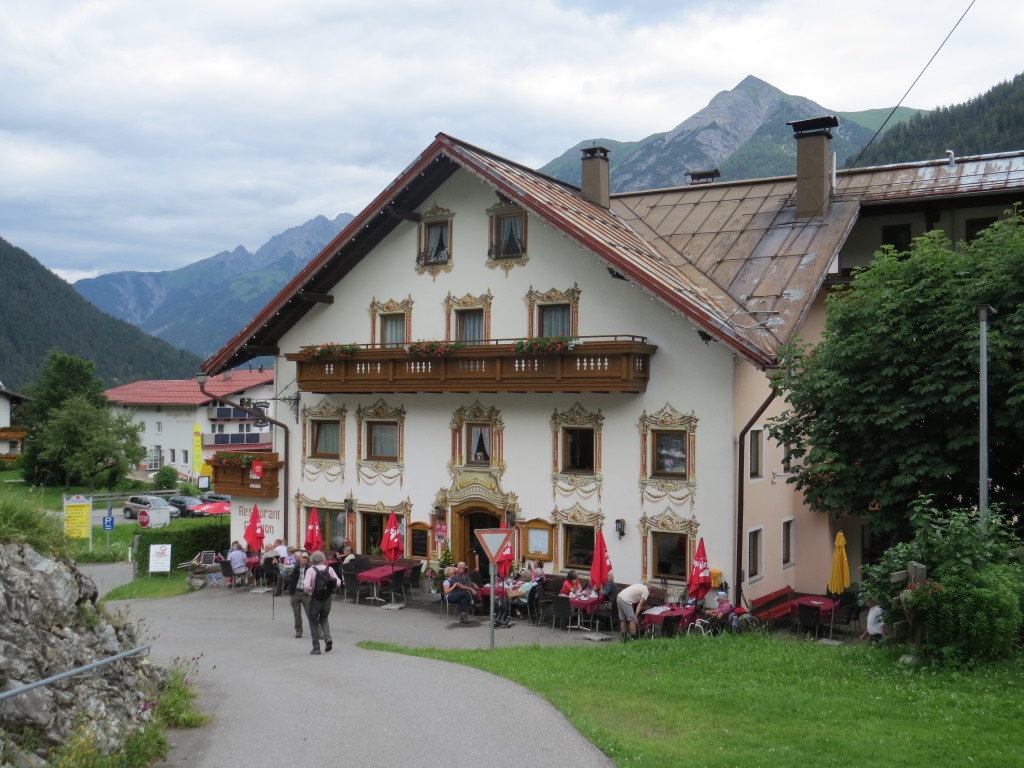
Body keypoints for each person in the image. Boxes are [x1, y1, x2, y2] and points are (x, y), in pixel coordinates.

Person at [303, 551, 341, 655]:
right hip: (327, 598)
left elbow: (306, 586)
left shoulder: (310, 571)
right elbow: (338, 582)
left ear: (312, 559)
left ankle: (316, 648)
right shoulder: (329, 569)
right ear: (323, 559)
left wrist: (310, 591)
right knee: (324, 619)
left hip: (315, 599)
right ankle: (328, 638)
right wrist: (330, 589)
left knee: (313, 622)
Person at [285, 553, 311, 638]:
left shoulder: (310, 568)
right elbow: (285, 567)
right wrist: (276, 564)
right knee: (297, 614)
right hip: (295, 592)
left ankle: (317, 631)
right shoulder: (295, 567)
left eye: (306, 558)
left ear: (308, 560)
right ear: (299, 558)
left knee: (310, 613)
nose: (304, 559)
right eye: (303, 558)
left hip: (306, 593)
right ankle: (298, 631)